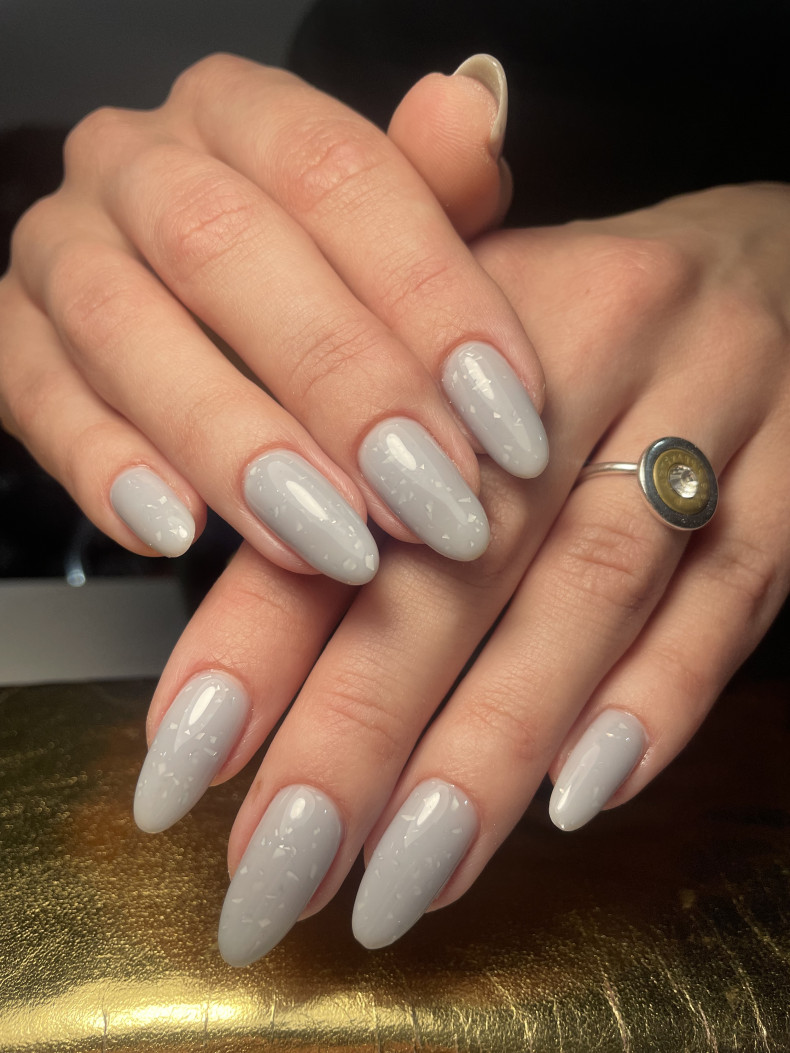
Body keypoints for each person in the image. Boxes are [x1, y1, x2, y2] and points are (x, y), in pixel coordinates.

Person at [1, 1, 789, 967]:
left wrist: (773, 247)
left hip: (725, 774)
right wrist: (189, 230)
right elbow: (375, 153)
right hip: (282, 599)